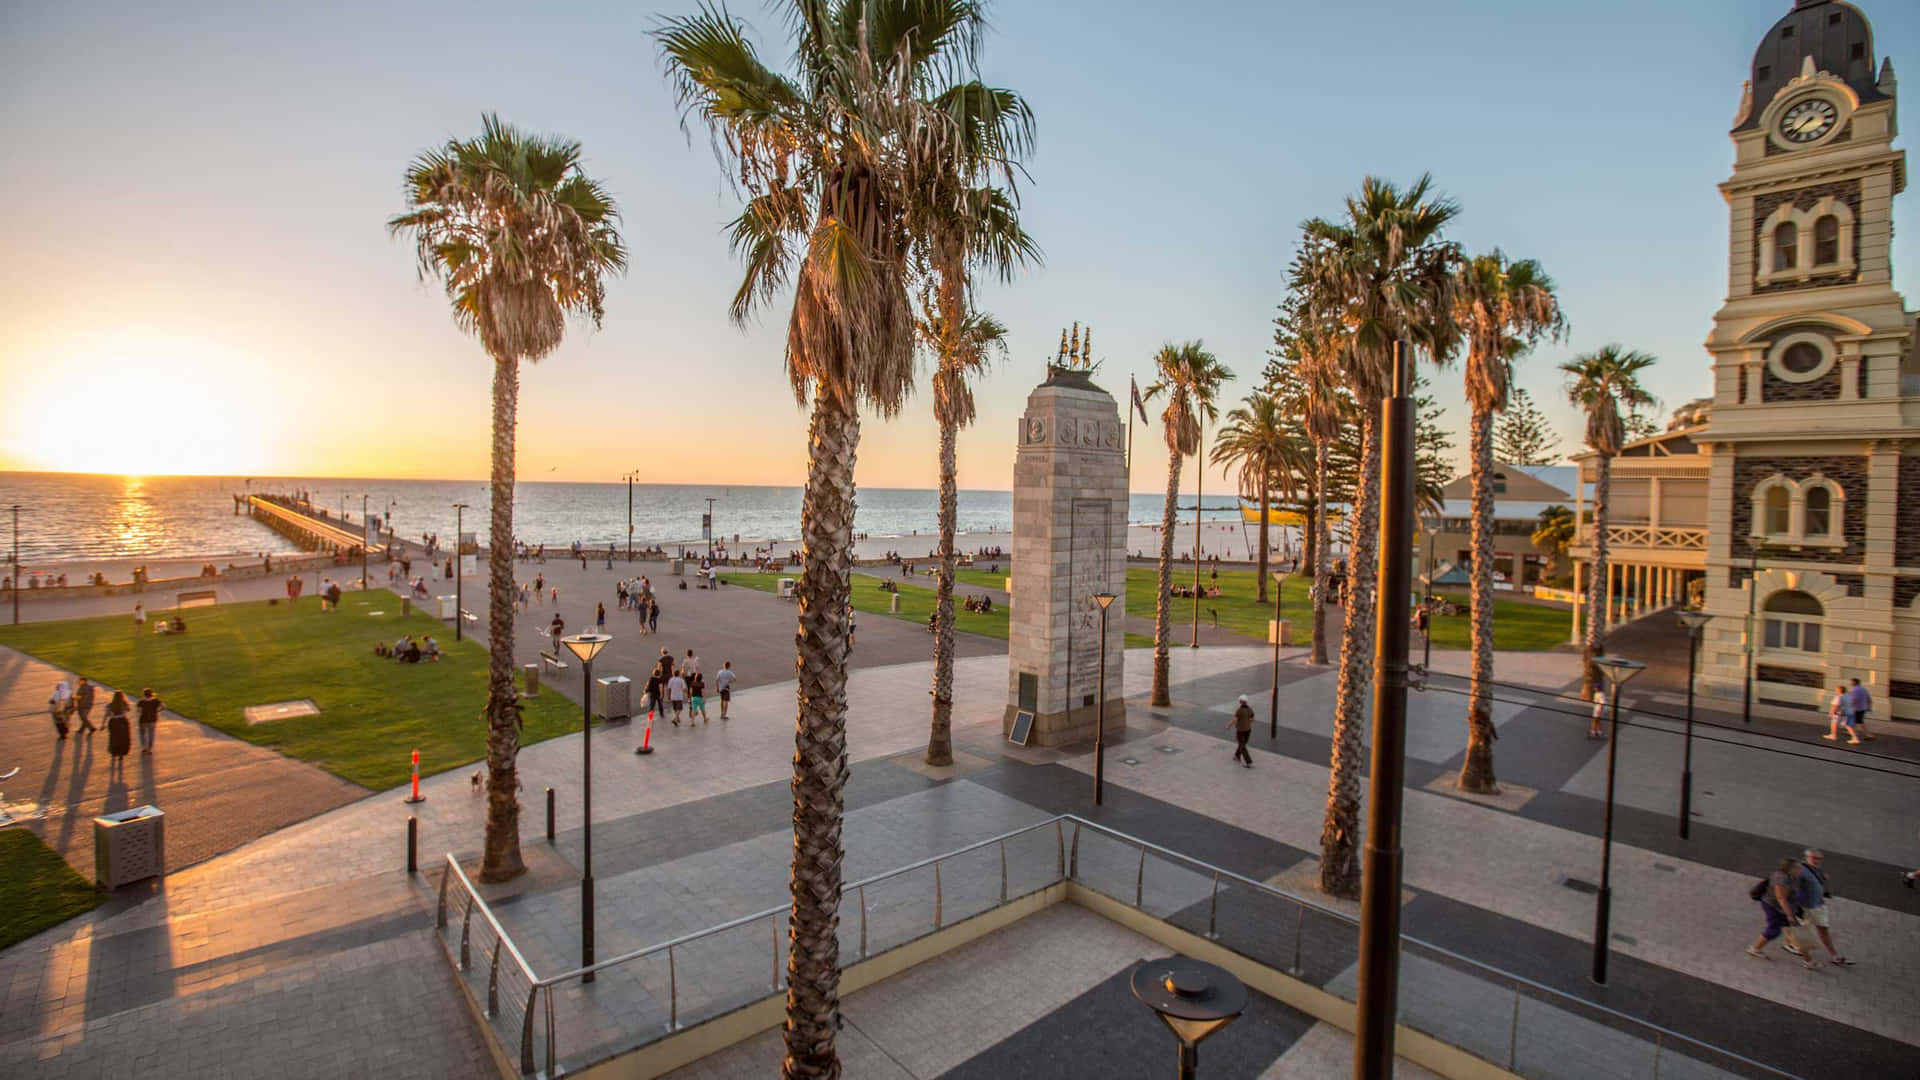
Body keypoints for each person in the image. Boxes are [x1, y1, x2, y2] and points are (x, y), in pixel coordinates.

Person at [1746, 857, 1819, 970]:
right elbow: (1781, 898)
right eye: (1798, 868)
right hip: (1775, 908)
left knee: (1795, 932)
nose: (1801, 870)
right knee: (1775, 930)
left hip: (1786, 908)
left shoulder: (1793, 876)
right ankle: (1755, 949)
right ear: (1790, 869)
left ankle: (1807, 959)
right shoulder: (1781, 879)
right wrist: (1790, 915)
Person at [1787, 849, 1852, 966]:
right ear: (1807, 857)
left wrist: (1823, 879)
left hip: (1819, 905)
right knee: (1803, 933)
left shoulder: (1816, 869)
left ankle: (1834, 956)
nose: (1817, 861)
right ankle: (1803, 955)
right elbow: (1792, 886)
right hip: (1805, 907)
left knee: (1823, 930)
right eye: (1814, 858)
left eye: (1819, 859)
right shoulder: (1800, 870)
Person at [105, 690, 133, 771]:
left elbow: (107, 714)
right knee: (123, 739)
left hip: (113, 722)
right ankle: (121, 754)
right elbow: (128, 709)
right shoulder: (124, 704)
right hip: (122, 722)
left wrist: (103, 724)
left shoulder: (110, 705)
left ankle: (113, 752)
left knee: (113, 738)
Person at [1229, 694, 1255, 768]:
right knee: (1242, 744)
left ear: (1240, 701)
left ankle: (1248, 762)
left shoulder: (1239, 710)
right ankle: (1237, 756)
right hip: (1248, 730)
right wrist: (1247, 723)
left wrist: (1229, 725)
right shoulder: (1249, 709)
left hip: (1240, 730)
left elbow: (1235, 720)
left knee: (1242, 745)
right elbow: (1252, 718)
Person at [135, 687, 163, 753]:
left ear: (144, 694)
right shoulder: (156, 700)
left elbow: (138, 710)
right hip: (153, 719)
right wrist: (158, 711)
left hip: (143, 720)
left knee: (142, 734)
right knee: (151, 734)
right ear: (151, 694)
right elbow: (163, 706)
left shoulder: (141, 701)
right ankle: (149, 748)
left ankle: (144, 747)